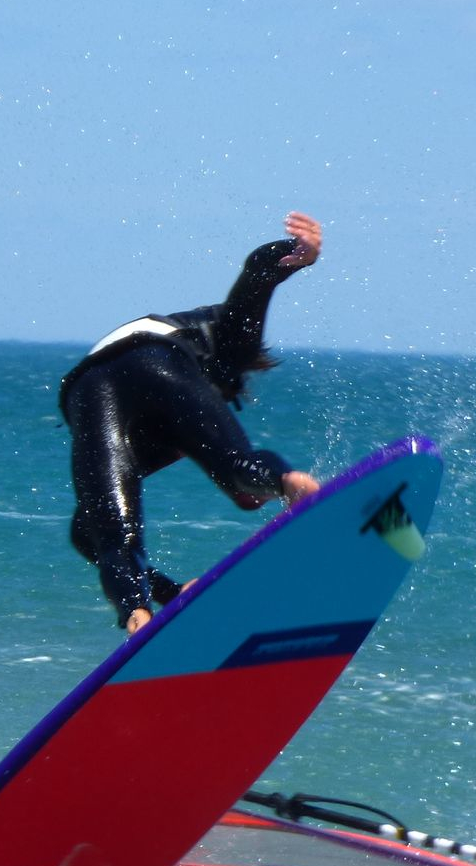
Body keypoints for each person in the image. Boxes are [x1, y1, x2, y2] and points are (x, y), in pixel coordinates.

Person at [59, 212, 325, 634]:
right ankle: (289, 482)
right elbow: (255, 278)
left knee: (103, 532)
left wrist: (167, 591)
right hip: (156, 358)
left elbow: (85, 531)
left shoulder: (155, 434)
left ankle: (140, 612)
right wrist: (295, 253)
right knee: (238, 464)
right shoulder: (228, 345)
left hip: (87, 392)